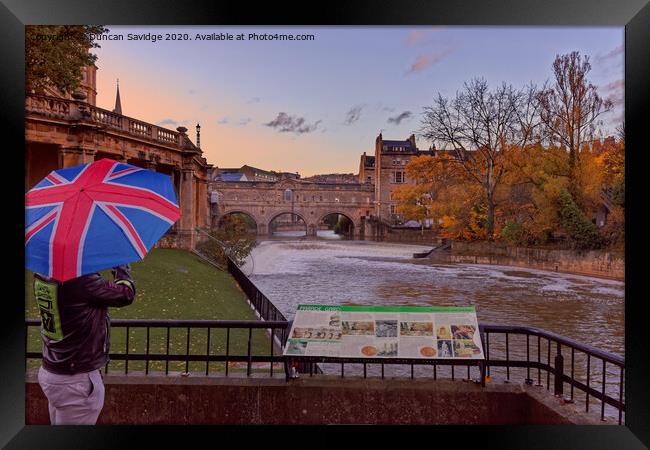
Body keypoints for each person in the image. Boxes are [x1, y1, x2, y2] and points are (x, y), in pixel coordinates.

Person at [34, 264, 136, 425]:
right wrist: (121, 267)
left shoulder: (43, 272)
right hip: (75, 379)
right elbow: (126, 294)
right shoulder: (82, 280)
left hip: (52, 369)